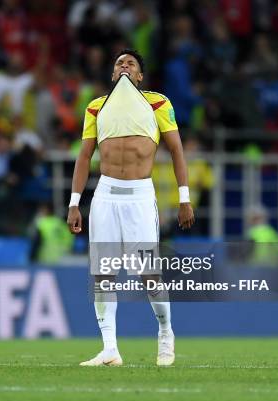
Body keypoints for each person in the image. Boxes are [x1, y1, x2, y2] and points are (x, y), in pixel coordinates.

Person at [67, 49, 194, 367]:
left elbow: (177, 150)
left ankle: (166, 332)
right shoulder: (97, 107)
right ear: (113, 75)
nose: (124, 66)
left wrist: (184, 198)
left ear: (139, 76)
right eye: (119, 63)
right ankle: (109, 348)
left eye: (131, 63)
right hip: (106, 195)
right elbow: (84, 157)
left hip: (139, 196)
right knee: (103, 275)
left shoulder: (158, 103)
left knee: (149, 275)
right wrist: (74, 203)